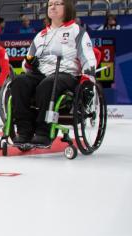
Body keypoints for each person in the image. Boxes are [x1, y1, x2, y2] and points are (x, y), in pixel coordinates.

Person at [10, 0, 97, 146]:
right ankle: (25, 130)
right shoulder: (41, 35)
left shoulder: (77, 31)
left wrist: (89, 81)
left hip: (66, 73)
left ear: (67, 7)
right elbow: (26, 64)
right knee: (19, 82)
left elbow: (88, 58)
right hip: (42, 73)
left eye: (58, 3)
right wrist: (29, 63)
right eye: (50, 4)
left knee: (48, 84)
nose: (53, 7)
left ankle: (43, 131)